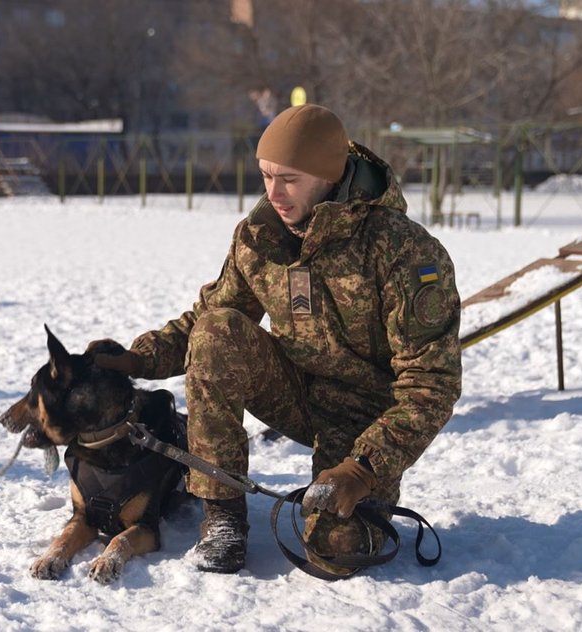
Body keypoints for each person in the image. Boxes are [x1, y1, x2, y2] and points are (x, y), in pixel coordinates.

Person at [94, 104, 462, 576]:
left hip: (366, 420)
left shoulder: (405, 251)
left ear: (328, 174)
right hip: (295, 393)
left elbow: (431, 383)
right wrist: (135, 359)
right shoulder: (260, 237)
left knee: (337, 553)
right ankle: (223, 516)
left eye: (289, 178)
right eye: (266, 175)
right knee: (219, 330)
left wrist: (364, 466)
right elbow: (208, 321)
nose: (274, 192)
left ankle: (351, 500)